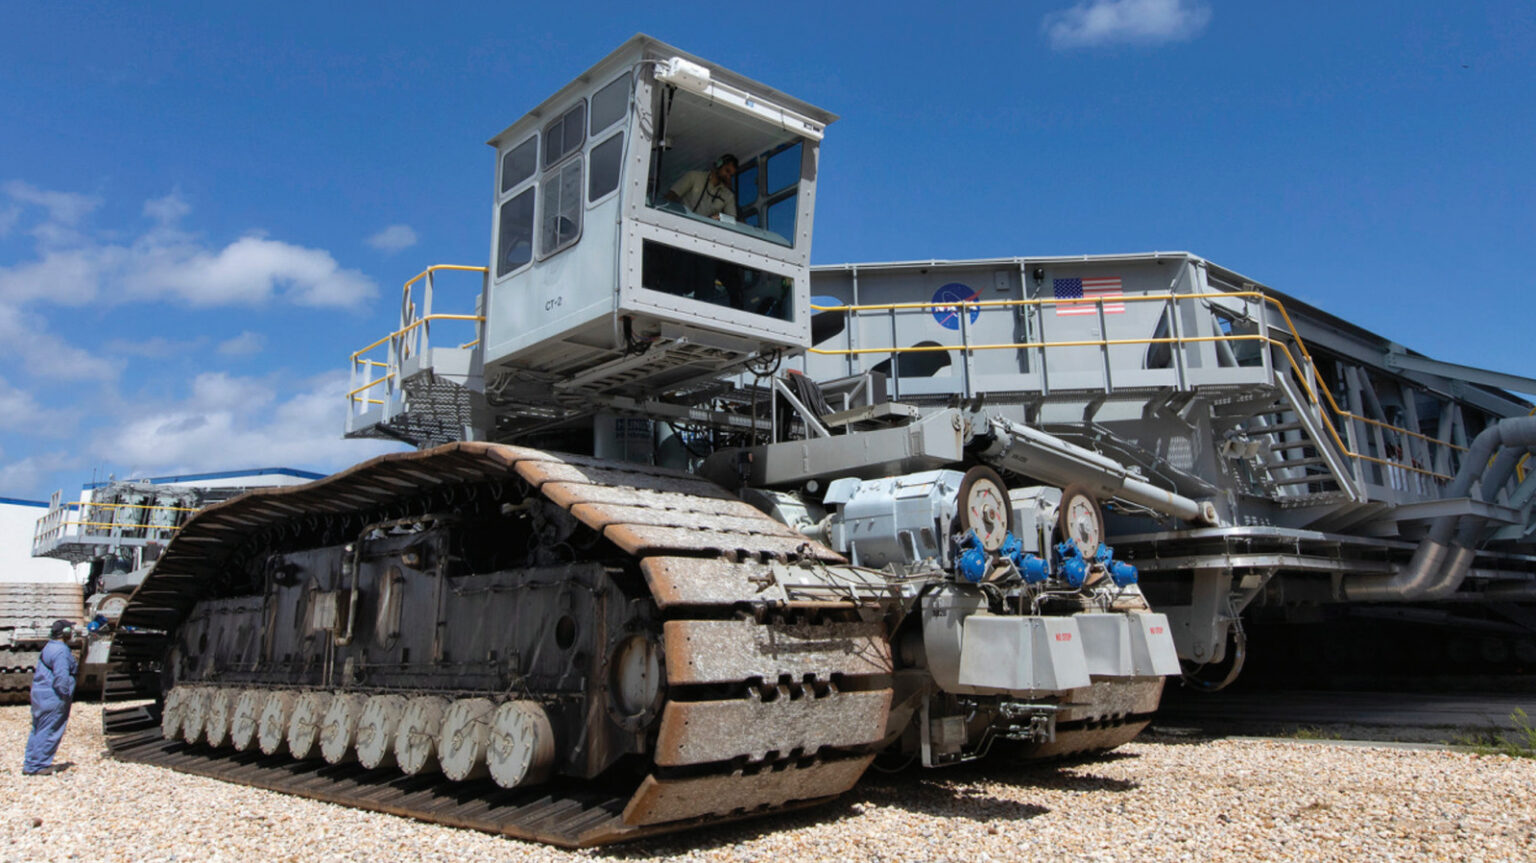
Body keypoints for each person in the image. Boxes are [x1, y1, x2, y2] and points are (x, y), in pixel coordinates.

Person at [23, 619, 78, 776]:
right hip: (53, 696)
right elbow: (61, 677)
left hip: (40, 694)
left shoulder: (49, 647)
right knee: (50, 729)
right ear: (66, 633)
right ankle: (38, 766)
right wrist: (66, 695)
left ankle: (31, 762)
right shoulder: (61, 651)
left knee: (38, 728)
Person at [664, 154, 739, 220]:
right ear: (719, 165)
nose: (728, 177)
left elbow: (732, 219)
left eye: (731, 175)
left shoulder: (728, 196)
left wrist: (720, 217)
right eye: (727, 171)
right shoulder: (694, 176)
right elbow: (671, 196)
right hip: (682, 222)